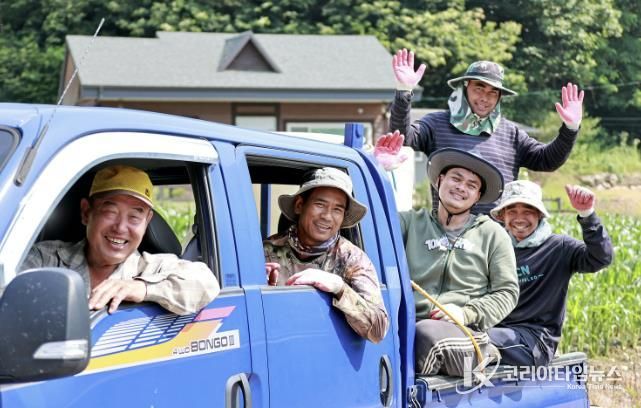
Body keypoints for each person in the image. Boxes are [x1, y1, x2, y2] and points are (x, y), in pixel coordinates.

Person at [378, 142, 519, 377]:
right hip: (409, 323)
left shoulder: (492, 234)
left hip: (465, 332)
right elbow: (371, 223)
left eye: (471, 185)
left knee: (424, 335)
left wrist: (466, 313)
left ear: (478, 196)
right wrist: (378, 170)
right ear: (439, 180)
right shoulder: (411, 222)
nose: (462, 187)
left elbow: (507, 292)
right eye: (456, 178)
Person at [389, 48, 585, 214]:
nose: (485, 98)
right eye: (479, 88)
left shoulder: (511, 133)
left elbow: (547, 160)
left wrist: (570, 128)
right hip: (445, 232)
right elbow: (403, 138)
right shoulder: (437, 123)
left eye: (493, 92)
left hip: (496, 236)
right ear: (465, 87)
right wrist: (404, 90)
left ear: (499, 97)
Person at [21, 165, 220, 316]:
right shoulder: (45, 258)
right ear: (86, 212)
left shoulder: (152, 267)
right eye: (110, 212)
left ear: (147, 221)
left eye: (134, 217)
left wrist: (141, 288)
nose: (121, 228)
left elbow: (207, 284)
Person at [487, 181, 613, 366]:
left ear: (539, 214)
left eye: (528, 211)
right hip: (495, 332)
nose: (519, 218)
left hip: (534, 342)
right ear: (502, 216)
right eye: (512, 211)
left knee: (471, 341)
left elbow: (601, 258)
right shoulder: (495, 249)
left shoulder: (559, 247)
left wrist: (587, 214)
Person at [263, 167, 389, 343]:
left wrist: (340, 288)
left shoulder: (352, 259)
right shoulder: (266, 251)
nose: (327, 216)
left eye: (337, 209)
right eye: (320, 204)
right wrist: (265, 290)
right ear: (299, 205)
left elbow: (378, 330)